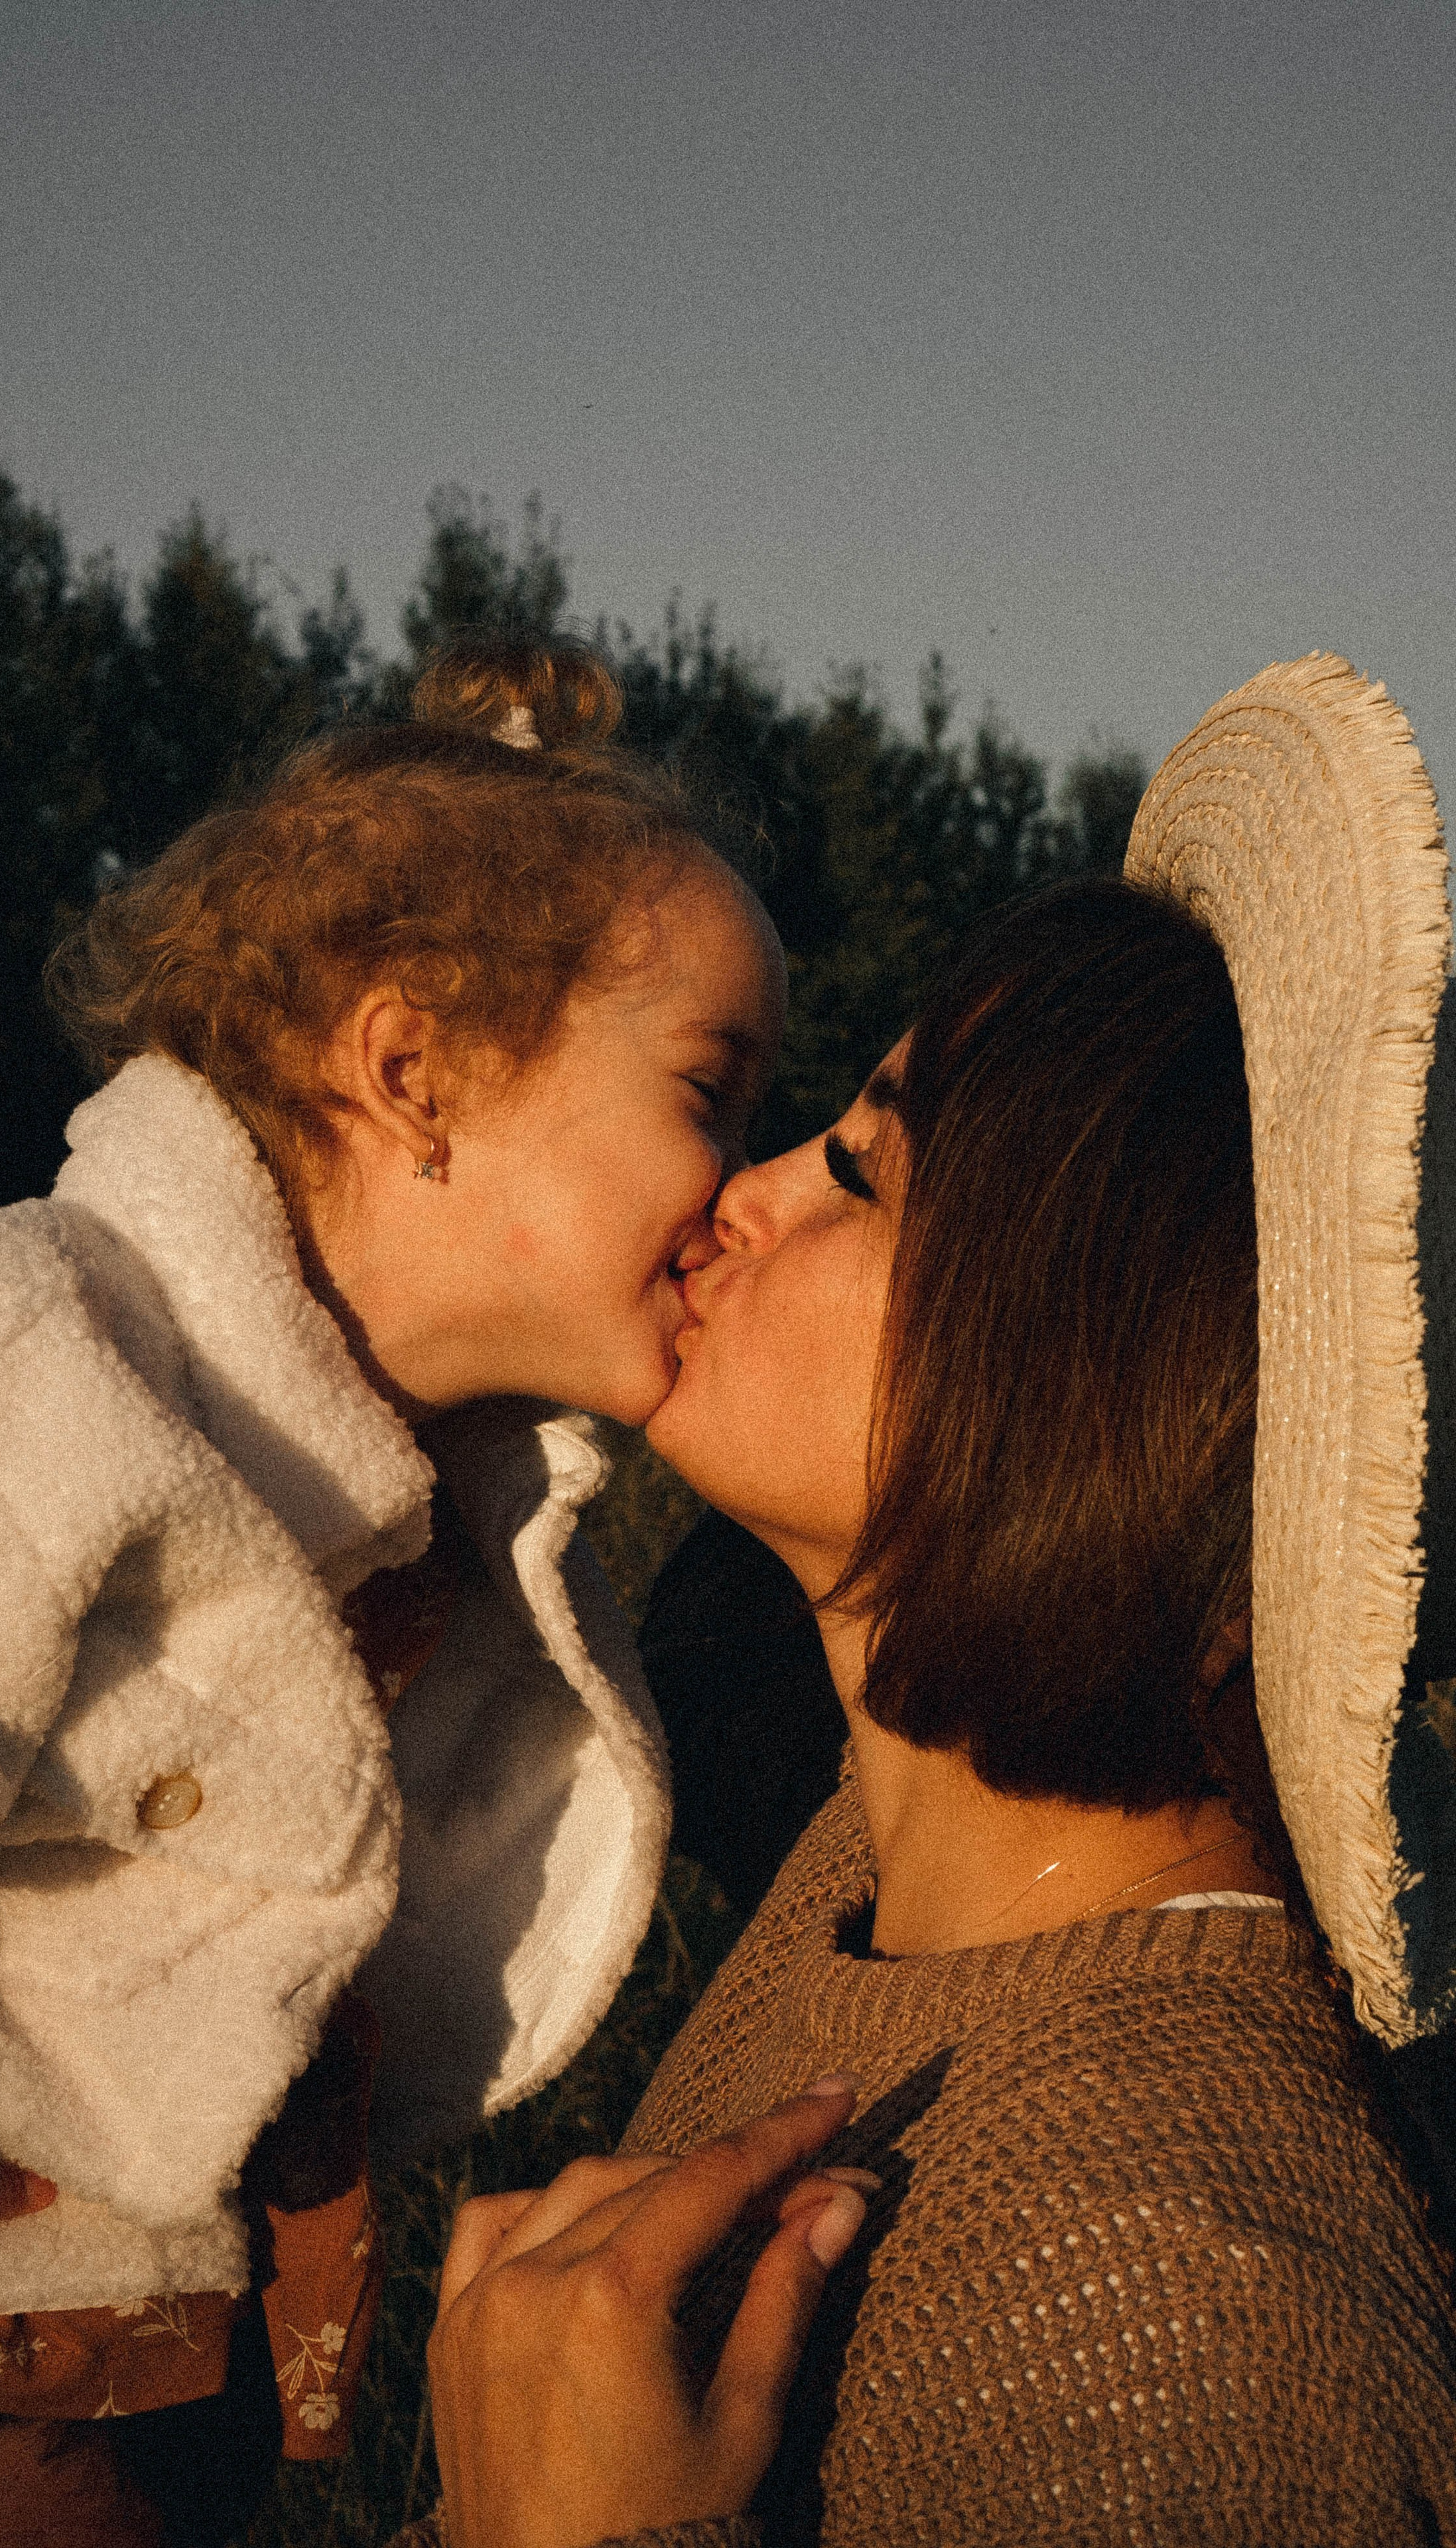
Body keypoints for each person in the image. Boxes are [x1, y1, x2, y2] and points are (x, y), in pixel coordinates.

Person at [417, 654, 1456, 2545]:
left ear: (1098, 1398)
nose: (739, 1195)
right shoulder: (878, 1871)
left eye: (864, 1176)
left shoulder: (1191, 2320)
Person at [0, 639, 787, 2541]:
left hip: (125, 2389)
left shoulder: (424, 1516)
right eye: (709, 1093)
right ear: (414, 1075)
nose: (741, 1188)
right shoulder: (16, 1373)